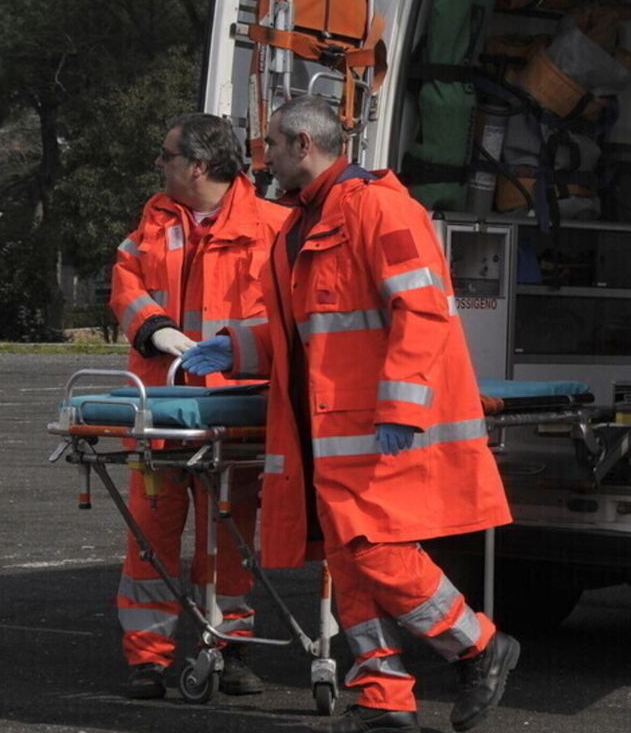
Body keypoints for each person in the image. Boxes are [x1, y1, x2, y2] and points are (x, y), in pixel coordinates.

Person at [183, 94, 518, 733]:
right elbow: (304, 331)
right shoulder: (300, 224)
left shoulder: (379, 207)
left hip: (376, 430)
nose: (267, 159)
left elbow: (421, 312)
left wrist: (402, 407)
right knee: (346, 560)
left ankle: (479, 645)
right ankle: (383, 700)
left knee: (373, 555)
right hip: (329, 432)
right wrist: (238, 345)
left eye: (274, 146)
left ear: (303, 146)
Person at [109, 113, 290, 699]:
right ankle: (148, 660)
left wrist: (232, 352)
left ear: (200, 165)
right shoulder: (157, 216)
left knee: (228, 540)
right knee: (149, 539)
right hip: (159, 409)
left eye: (166, 155)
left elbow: (287, 320)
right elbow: (126, 283)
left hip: (232, 412)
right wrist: (155, 330)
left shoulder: (274, 228)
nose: (158, 164)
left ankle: (228, 647)